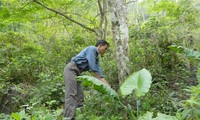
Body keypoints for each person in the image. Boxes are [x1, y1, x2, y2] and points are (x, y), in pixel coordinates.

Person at [63, 40, 110, 120]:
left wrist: (108, 87)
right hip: (71, 69)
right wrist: (101, 81)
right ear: (100, 46)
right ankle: (68, 117)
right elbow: (92, 68)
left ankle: (79, 116)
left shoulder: (96, 59)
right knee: (71, 94)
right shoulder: (92, 49)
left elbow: (99, 75)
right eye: (105, 48)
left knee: (80, 96)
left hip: (77, 72)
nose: (105, 51)